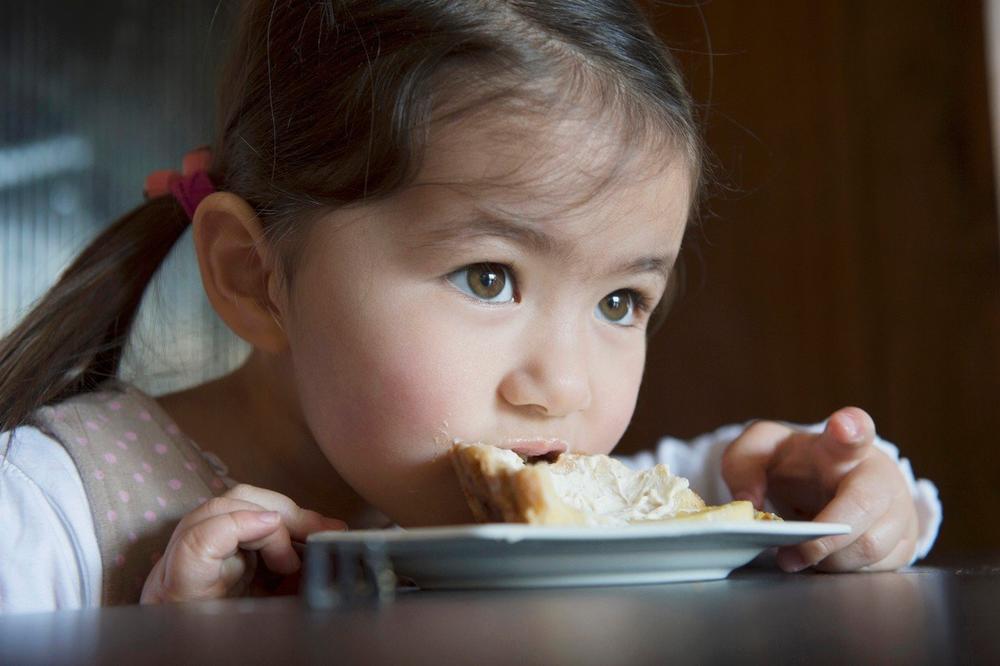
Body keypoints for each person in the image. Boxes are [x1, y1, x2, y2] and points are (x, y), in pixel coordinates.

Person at [0, 0, 940, 613]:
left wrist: (811, 486)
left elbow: (712, 492)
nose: (560, 387)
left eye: (621, 300)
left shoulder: (515, 495)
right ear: (256, 278)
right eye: (488, 278)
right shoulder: (47, 517)